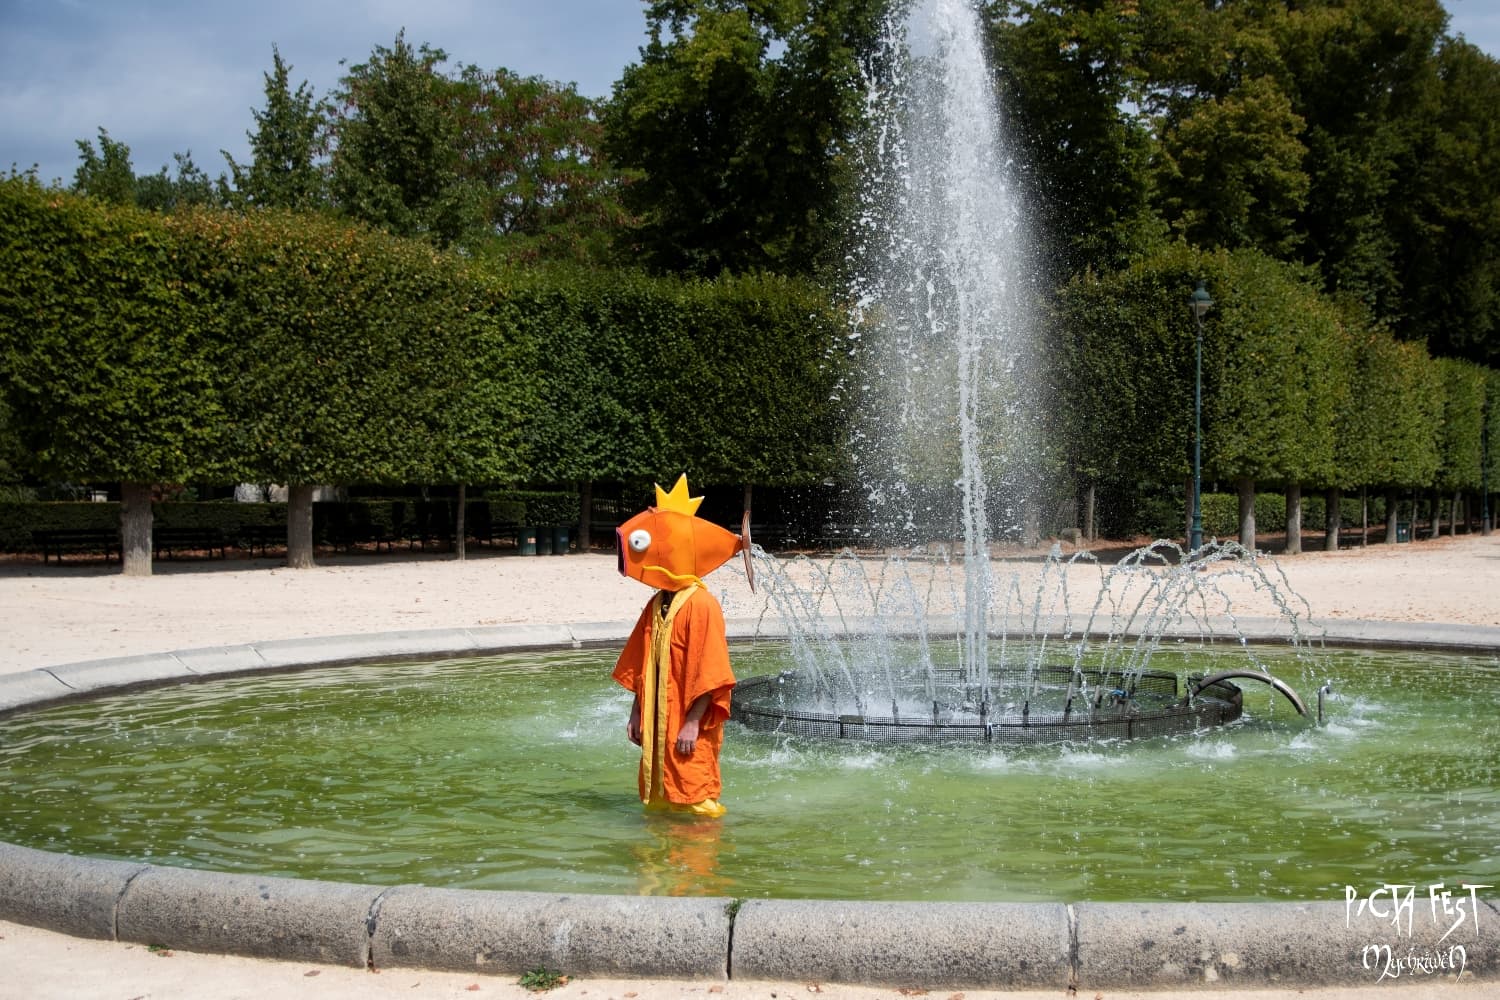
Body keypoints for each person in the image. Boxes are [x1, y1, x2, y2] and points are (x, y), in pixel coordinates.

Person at [611, 475, 751, 818]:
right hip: (659, 719)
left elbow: (711, 671)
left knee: (696, 796)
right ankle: (662, 858)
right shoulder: (657, 602)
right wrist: (636, 711)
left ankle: (698, 865)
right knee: (661, 796)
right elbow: (641, 661)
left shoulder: (701, 605)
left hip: (688, 722)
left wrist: (692, 721)